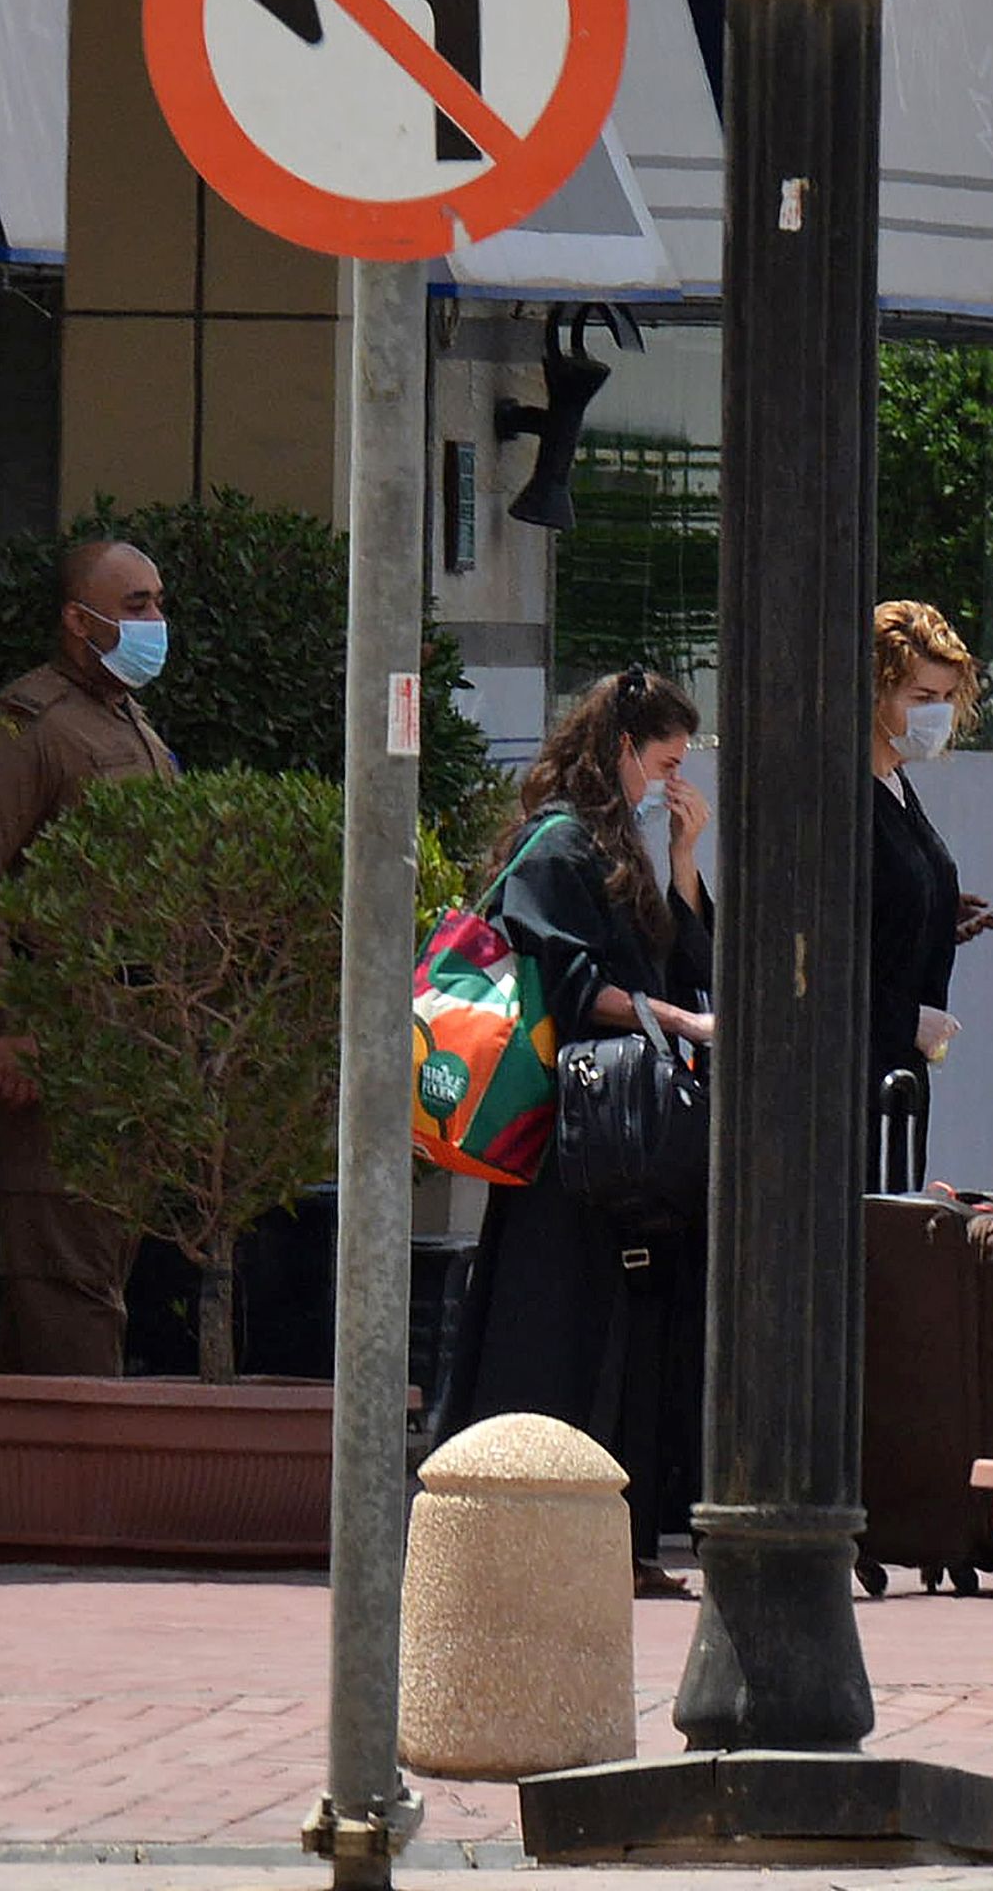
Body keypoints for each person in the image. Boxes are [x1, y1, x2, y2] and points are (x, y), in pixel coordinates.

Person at [434, 668, 713, 1597]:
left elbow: (679, 959)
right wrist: (678, 1022)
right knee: (556, 1324)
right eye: (663, 763)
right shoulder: (561, 846)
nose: (670, 783)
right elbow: (574, 984)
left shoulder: (613, 845)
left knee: (609, 1326)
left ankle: (600, 1538)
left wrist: (683, 858)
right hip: (573, 1138)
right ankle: (524, 1532)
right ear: (622, 748)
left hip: (611, 1136)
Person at [0, 538, 175, 1383]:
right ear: (78, 619)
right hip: (51, 1035)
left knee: (70, 1269)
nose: (155, 620)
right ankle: (88, 1466)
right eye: (135, 605)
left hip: (124, 1038)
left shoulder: (125, 723)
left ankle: (0, 1460)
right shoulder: (21, 729)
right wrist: (7, 1020)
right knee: (69, 1277)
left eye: (157, 602)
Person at [867, 601, 993, 1172]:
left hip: (899, 1077)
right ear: (874, 693)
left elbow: (891, 900)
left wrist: (939, 915)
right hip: (859, 1079)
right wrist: (903, 1021)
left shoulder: (896, 784)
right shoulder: (844, 797)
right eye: (921, 697)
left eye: (946, 698)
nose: (937, 714)